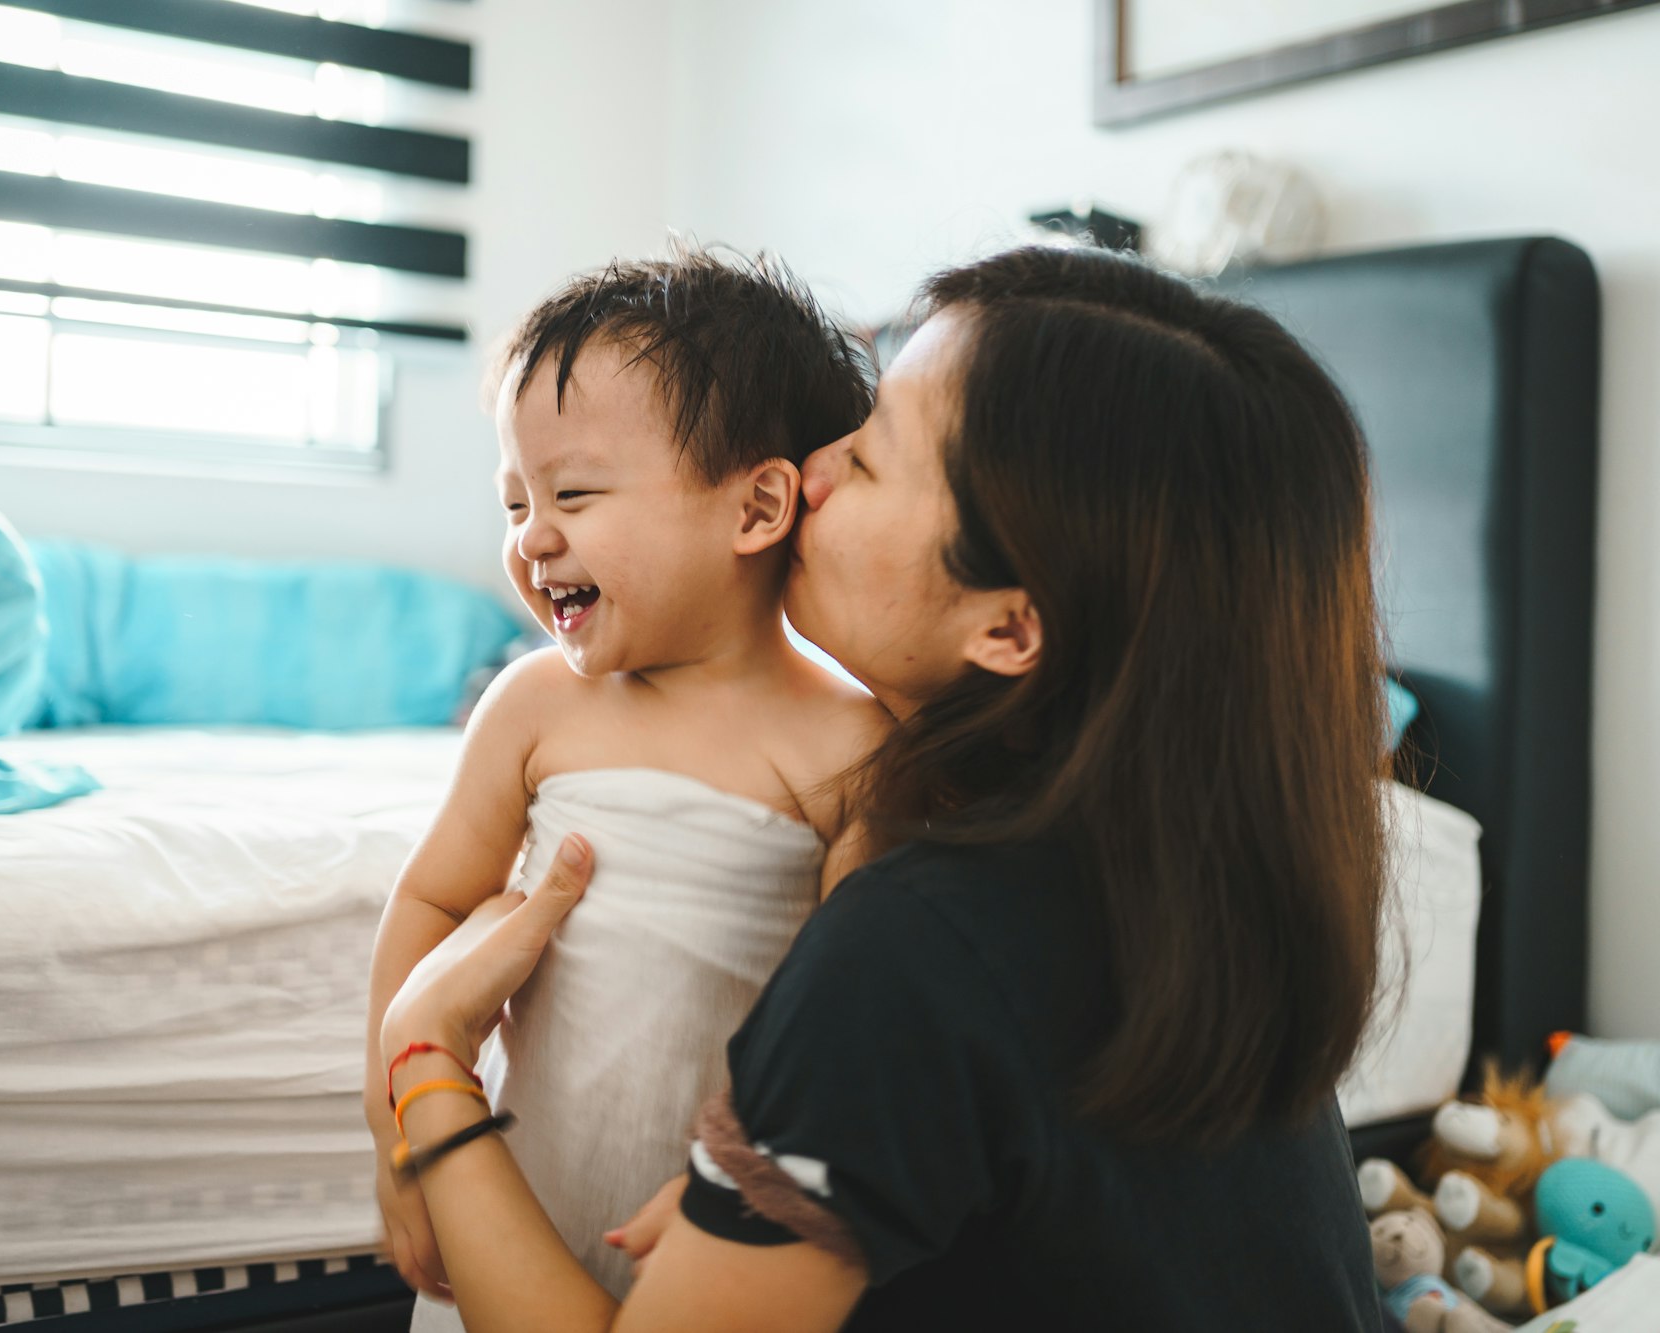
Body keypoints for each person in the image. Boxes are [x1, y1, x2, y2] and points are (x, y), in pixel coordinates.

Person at [376, 245, 1391, 1331]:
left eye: (867, 459)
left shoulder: (917, 942)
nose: (810, 467)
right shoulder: (1194, 888)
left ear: (1007, 623)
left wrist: (426, 1061)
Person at [361, 248, 892, 1327]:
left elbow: (851, 1030)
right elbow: (428, 901)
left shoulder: (847, 750)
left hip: (698, 1228)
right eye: (515, 500)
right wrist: (400, 1139)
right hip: (504, 1186)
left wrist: (744, 1191)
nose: (531, 538)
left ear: (755, 509)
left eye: (574, 494)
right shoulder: (534, 706)